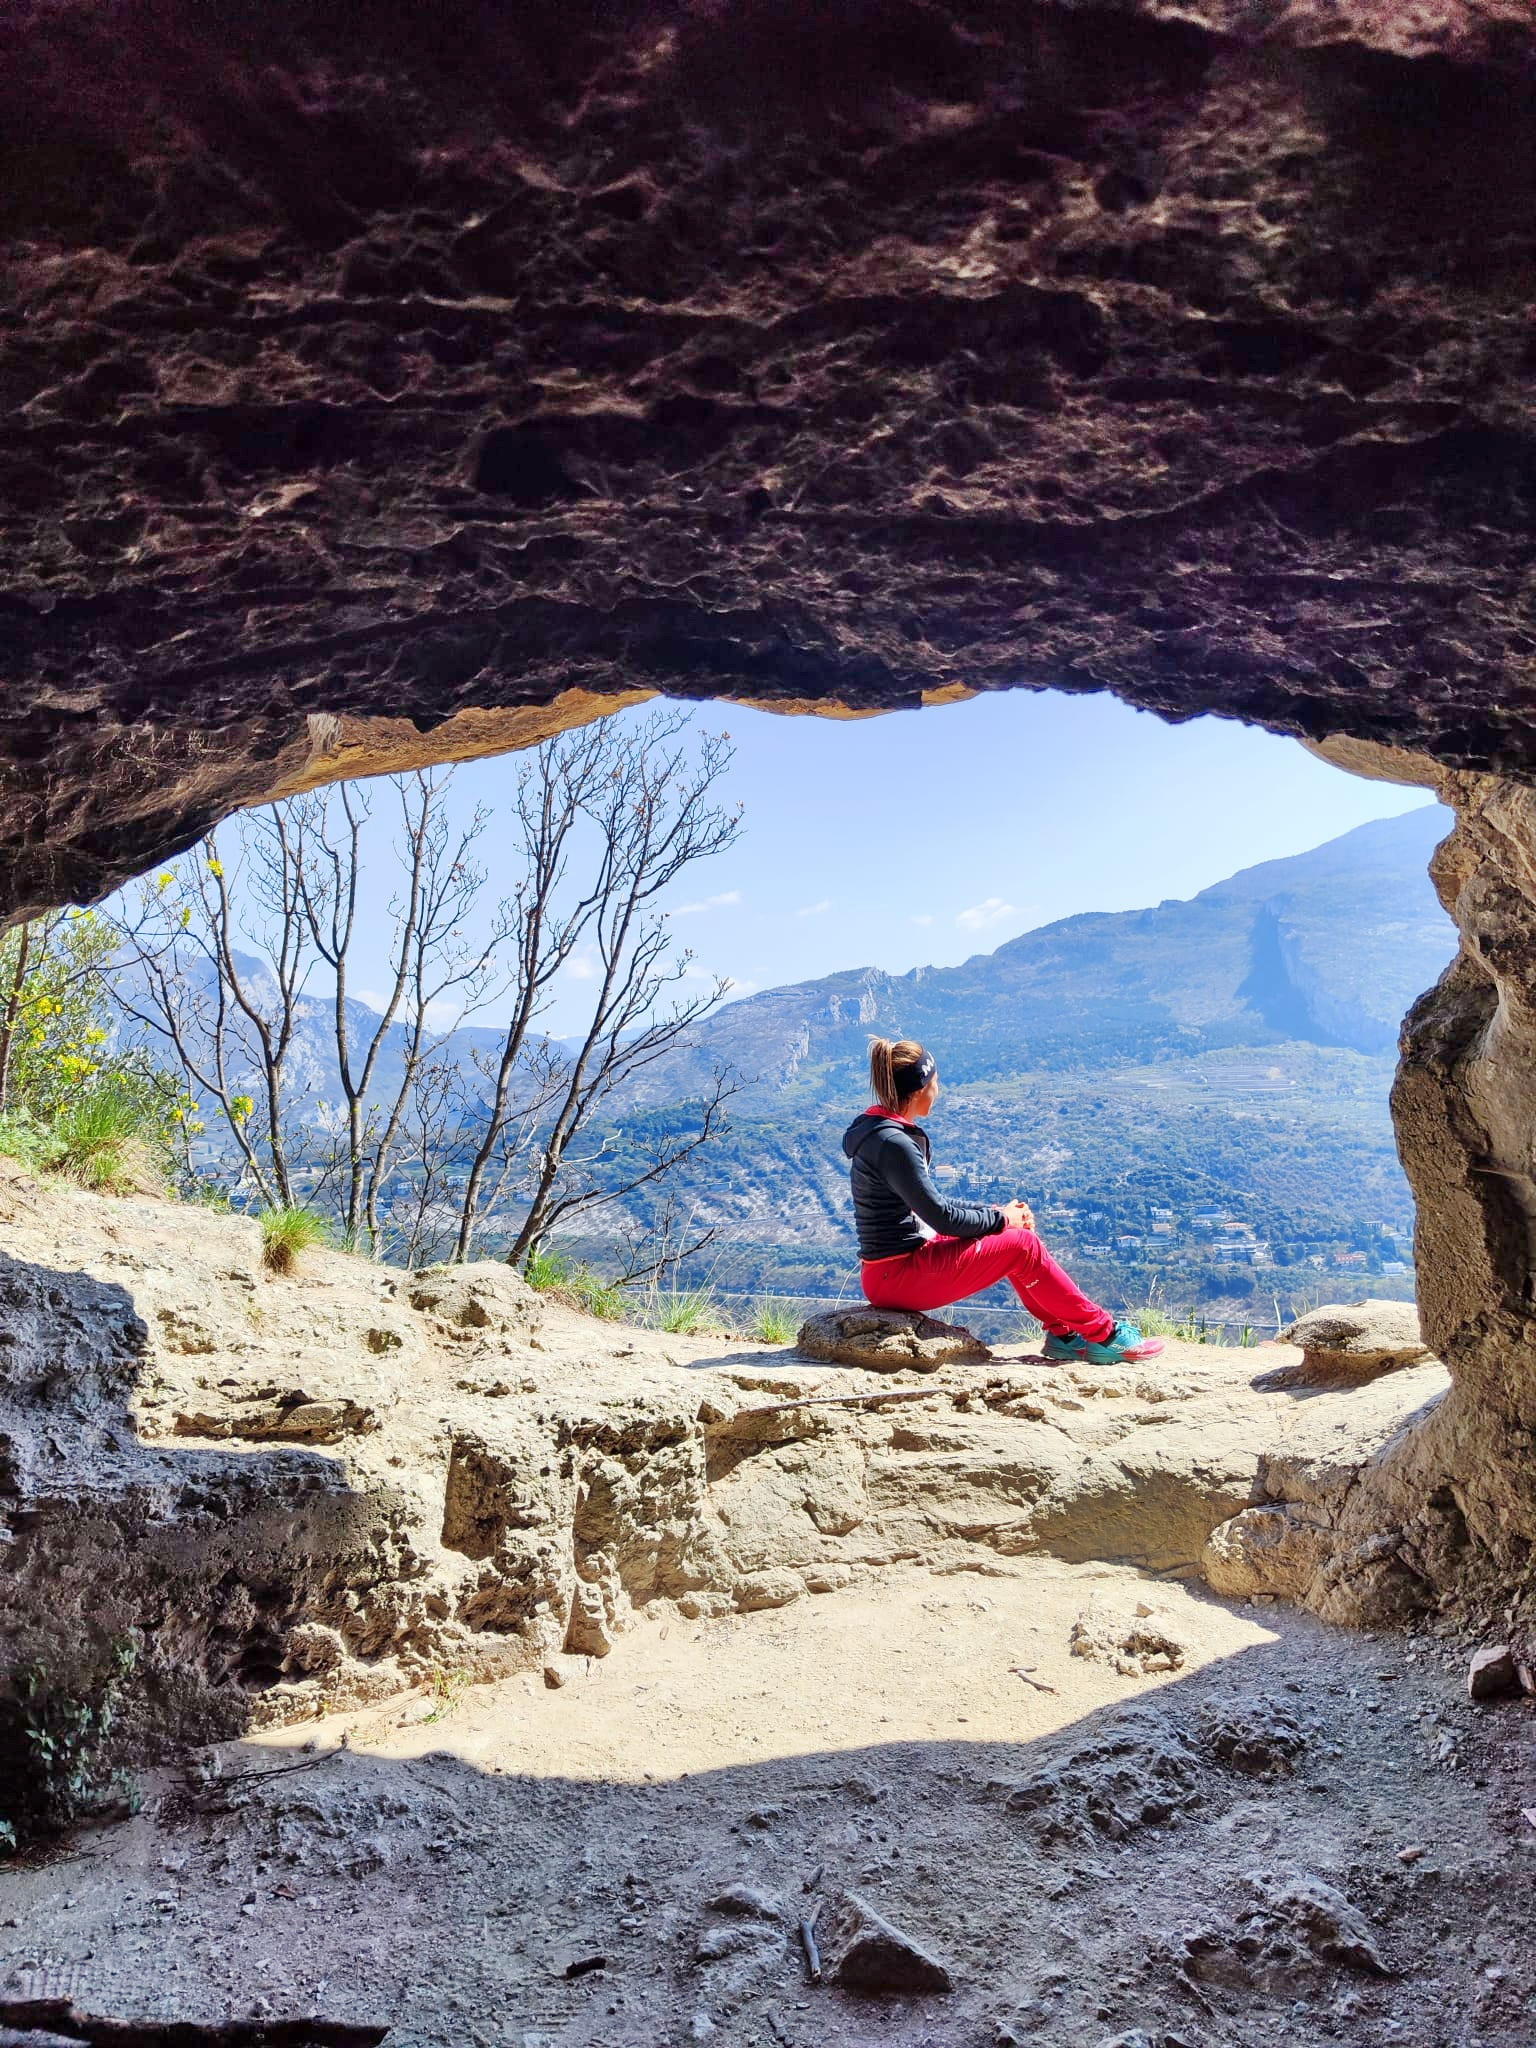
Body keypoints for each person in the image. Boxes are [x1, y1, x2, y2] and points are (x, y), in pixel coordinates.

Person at [843, 1036, 1164, 1365]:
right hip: (900, 1276)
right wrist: (1002, 1220)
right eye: (935, 1082)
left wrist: (998, 1216)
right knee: (1023, 1246)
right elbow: (940, 1216)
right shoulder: (894, 1143)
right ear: (920, 1088)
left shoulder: (882, 1133)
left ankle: (1066, 1335)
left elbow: (930, 1206)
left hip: (892, 1272)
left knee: (1016, 1236)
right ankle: (1106, 1336)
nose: (938, 1089)